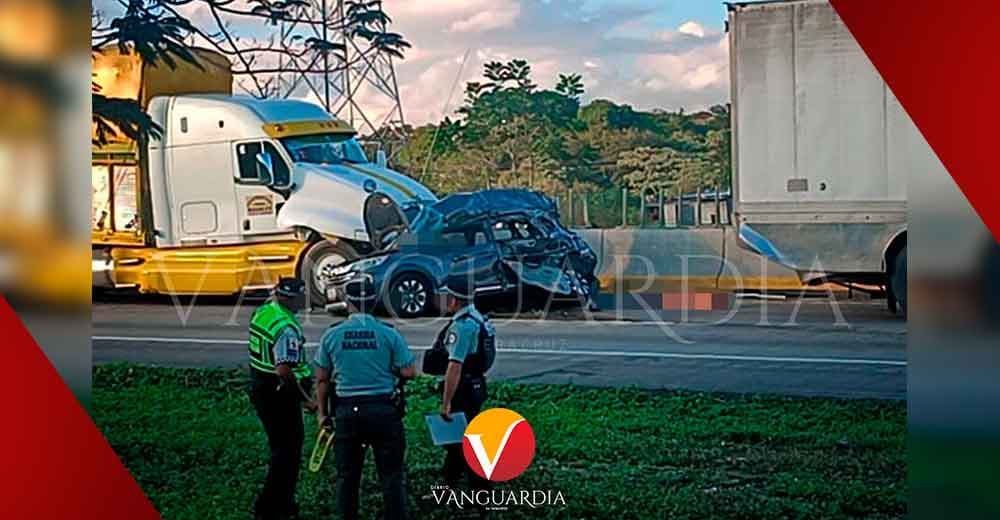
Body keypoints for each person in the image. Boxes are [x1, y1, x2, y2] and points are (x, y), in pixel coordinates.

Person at [314, 278, 416, 520]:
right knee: (391, 475)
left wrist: (322, 413)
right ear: (373, 302)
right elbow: (409, 371)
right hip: (383, 410)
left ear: (347, 302)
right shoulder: (388, 333)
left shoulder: (332, 335)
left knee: (347, 476)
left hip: (347, 413)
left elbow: (322, 378)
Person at [248, 277, 312, 520]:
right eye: (301, 296)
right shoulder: (286, 328)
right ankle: (276, 506)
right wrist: (306, 399)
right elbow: (284, 370)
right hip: (280, 395)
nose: (305, 301)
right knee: (287, 453)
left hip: (261, 387)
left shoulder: (265, 311)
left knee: (279, 449)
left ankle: (273, 505)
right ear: (291, 298)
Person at [438, 273, 495, 489]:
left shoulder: (462, 326)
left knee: (460, 442)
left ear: (454, 300)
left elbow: (454, 366)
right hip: (476, 385)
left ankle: (479, 490)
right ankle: (451, 486)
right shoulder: (479, 318)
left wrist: (446, 402)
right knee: (461, 441)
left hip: (463, 389)